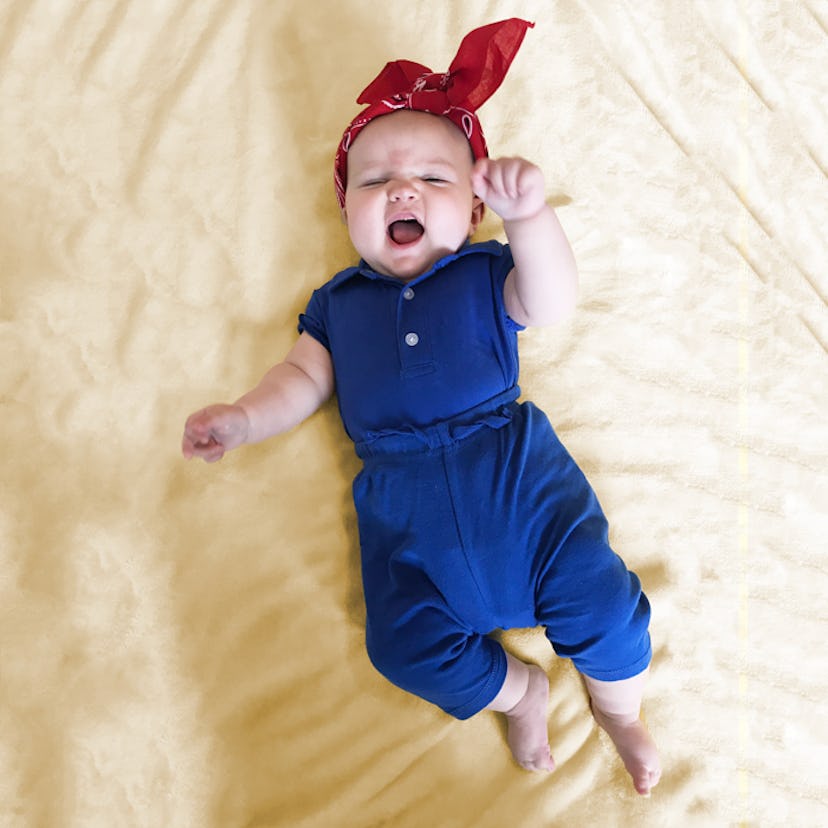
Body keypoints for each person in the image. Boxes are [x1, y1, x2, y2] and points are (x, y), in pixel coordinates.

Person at [182, 19, 661, 796]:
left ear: (472, 209)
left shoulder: (483, 273)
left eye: (434, 179)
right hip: (406, 522)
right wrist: (242, 418)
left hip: (520, 495)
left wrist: (531, 218)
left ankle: (620, 710)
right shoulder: (337, 306)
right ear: (346, 212)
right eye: (373, 182)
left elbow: (552, 299)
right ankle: (521, 692)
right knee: (400, 648)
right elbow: (299, 380)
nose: (402, 190)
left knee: (606, 606)